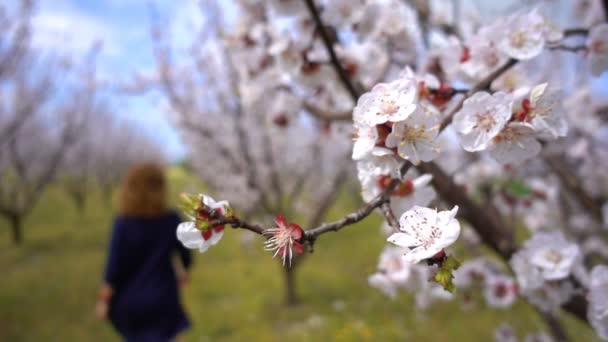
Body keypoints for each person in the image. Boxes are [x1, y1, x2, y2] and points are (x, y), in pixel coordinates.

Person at [96, 163, 192, 341]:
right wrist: (184, 270)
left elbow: (114, 266)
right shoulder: (171, 219)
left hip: (130, 302)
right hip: (163, 298)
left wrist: (104, 299)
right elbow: (186, 251)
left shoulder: (123, 222)